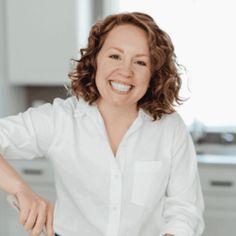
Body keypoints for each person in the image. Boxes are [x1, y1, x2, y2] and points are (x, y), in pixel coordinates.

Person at [0, 12, 204, 236]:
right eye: (115, 56)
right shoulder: (61, 120)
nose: (126, 71)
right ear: (95, 59)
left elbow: (184, 209)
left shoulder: (170, 128)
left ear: (153, 74)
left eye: (140, 62)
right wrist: (20, 190)